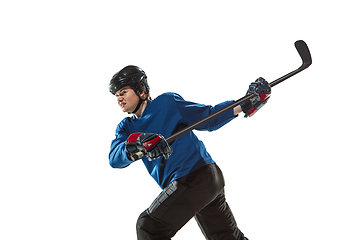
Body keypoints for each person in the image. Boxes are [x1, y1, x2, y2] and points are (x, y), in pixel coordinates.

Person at [108, 65, 271, 240]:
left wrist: (245, 103)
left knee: (149, 227)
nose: (119, 99)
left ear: (141, 91)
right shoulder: (127, 128)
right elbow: (115, 159)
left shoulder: (167, 103)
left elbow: (208, 117)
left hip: (196, 175)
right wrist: (138, 143)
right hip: (200, 182)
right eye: (116, 95)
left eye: (123, 92)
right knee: (226, 237)